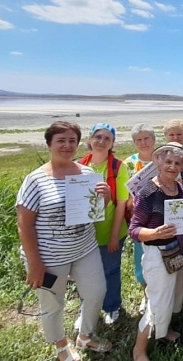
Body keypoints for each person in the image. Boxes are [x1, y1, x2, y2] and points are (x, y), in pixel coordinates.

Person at [16, 121, 111, 361]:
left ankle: (86, 336)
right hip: (49, 256)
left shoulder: (87, 174)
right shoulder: (35, 181)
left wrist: (106, 197)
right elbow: (24, 225)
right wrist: (35, 264)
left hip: (84, 248)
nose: (67, 146)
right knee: (52, 303)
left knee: (96, 292)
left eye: (72, 141)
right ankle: (61, 346)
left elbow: (94, 211)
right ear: (49, 144)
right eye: (61, 140)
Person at [129, 142, 183, 361]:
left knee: (174, 296)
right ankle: (139, 350)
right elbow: (134, 230)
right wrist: (155, 233)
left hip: (178, 251)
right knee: (158, 300)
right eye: (168, 162)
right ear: (158, 162)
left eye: (177, 163)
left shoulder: (180, 189)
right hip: (157, 254)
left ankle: (164, 330)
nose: (172, 166)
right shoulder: (148, 191)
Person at [79, 123, 129, 325]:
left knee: (110, 270)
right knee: (83, 275)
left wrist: (114, 236)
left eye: (107, 138)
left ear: (112, 143)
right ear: (90, 140)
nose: (101, 141)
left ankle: (112, 306)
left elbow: (121, 204)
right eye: (97, 137)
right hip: (84, 233)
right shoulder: (79, 166)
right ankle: (86, 309)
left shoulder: (118, 167)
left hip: (111, 230)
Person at [123, 123, 158, 315]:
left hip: (162, 216)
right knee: (141, 258)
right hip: (140, 217)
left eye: (147, 138)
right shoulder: (128, 163)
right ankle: (146, 295)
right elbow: (124, 192)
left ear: (154, 140)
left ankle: (161, 293)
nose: (143, 143)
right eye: (139, 139)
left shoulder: (163, 158)